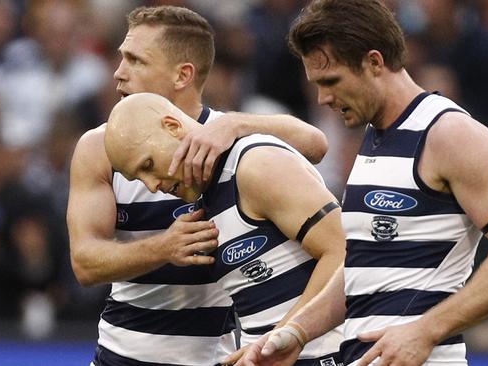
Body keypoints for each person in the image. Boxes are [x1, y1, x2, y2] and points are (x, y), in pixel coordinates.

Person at [238, 1, 488, 365]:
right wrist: (296, 332)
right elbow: (362, 272)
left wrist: (427, 329)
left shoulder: (448, 133)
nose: (323, 99)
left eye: (331, 81)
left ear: (374, 62)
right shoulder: (376, 136)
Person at [66, 6, 329, 366]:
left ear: (182, 75)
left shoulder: (226, 143)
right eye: (121, 58)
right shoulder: (99, 147)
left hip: (214, 355)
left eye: (135, 60)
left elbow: (315, 144)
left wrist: (235, 124)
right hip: (122, 353)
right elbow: (84, 263)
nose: (119, 73)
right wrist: (163, 247)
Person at [104, 92, 346, 366]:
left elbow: (348, 252)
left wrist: (286, 335)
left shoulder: (253, 164)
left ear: (172, 126)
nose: (151, 185)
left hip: (325, 356)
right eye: (138, 178)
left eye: (148, 165)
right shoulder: (208, 194)